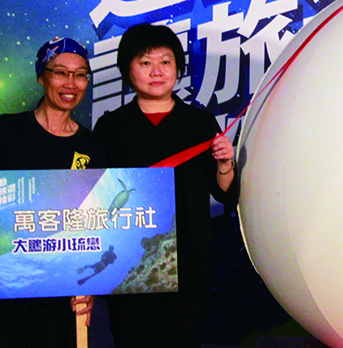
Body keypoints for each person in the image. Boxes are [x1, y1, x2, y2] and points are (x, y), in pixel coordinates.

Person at [93, 24, 238, 348]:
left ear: (178, 68)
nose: (156, 72)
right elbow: (96, 198)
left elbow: (224, 192)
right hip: (130, 262)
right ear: (127, 69)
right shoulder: (110, 127)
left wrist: (225, 164)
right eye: (145, 62)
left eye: (165, 62)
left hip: (188, 262)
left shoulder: (200, 123)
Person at [0, 37, 107, 347]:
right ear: (41, 76)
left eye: (80, 74)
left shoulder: (92, 147)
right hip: (6, 282)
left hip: (60, 287)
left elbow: (95, 222)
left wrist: (89, 282)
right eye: (60, 72)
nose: (71, 83)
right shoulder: (6, 131)